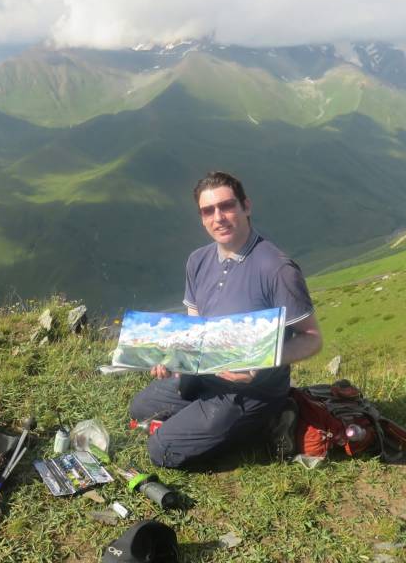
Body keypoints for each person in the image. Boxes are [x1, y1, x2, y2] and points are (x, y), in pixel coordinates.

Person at [129, 171, 322, 468]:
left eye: (227, 206)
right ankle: (211, 422)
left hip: (253, 389)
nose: (218, 217)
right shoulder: (198, 260)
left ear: (246, 206)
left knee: (162, 450)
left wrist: (260, 359)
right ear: (202, 218)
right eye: (208, 210)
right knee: (139, 409)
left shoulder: (277, 269)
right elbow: (194, 328)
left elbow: (312, 339)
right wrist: (172, 356)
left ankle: (272, 418)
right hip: (203, 376)